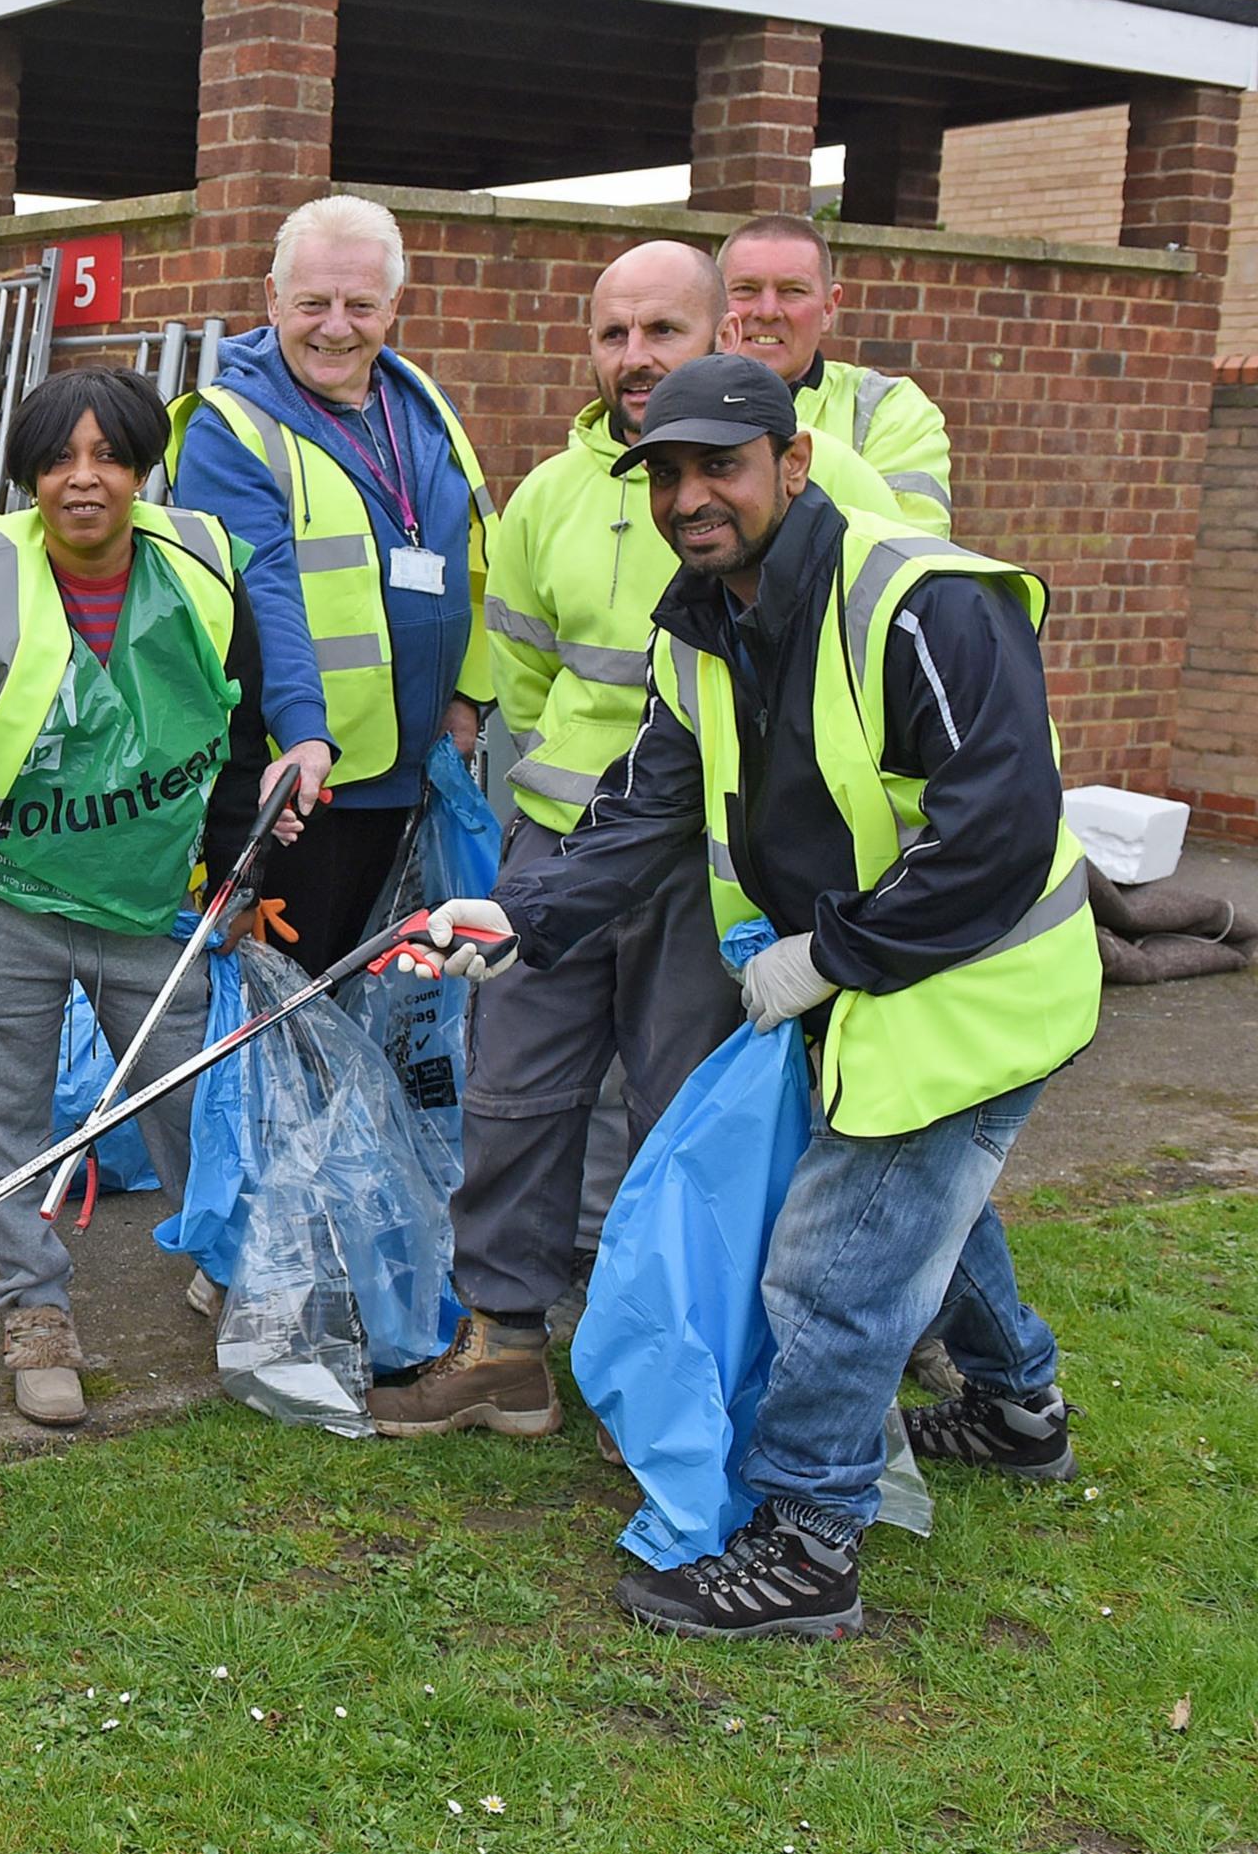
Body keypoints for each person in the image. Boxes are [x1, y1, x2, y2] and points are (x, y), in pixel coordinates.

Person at [421, 353, 1097, 1640]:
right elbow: (644, 809)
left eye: (719, 467)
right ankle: (1017, 1409)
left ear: (791, 464)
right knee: (922, 1207)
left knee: (831, 1267)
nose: (689, 497)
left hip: (977, 987)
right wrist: (524, 917)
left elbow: (996, 839)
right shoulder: (700, 625)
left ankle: (808, 1541)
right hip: (871, 974)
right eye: (665, 475)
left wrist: (824, 957)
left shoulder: (921, 605)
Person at [383, 241, 906, 1439]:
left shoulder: (817, 477)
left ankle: (678, 1363)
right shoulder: (546, 495)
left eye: (660, 330)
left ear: (718, 333)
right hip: (561, 848)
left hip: (707, 863)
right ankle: (503, 1344)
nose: (632, 356)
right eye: (611, 333)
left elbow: (870, 648)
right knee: (511, 1094)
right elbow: (520, 669)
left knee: (685, 1116)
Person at [0, 367, 303, 1429]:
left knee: (196, 1100)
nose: (83, 479)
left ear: (142, 470)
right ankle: (35, 1309)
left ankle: (229, 1267)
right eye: (58, 459)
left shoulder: (202, 566)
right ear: (29, 476)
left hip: (149, 904)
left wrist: (239, 874)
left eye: (108, 456)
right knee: (2, 1118)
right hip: (2, 897)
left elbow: (239, 735)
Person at [163, 193, 478, 974]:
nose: (336, 327)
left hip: (418, 776)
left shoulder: (421, 404)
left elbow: (474, 554)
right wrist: (304, 730)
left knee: (393, 1010)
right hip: (301, 792)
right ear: (273, 300)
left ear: (393, 305)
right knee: (291, 1009)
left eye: (360, 305)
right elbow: (262, 590)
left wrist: (469, 698)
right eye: (313, 303)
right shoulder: (230, 428)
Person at [720, 212, 954, 536]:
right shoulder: (662, 400)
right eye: (746, 289)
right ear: (714, 302)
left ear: (829, 308)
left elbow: (912, 551)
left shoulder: (888, 408)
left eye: (792, 291)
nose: (768, 311)